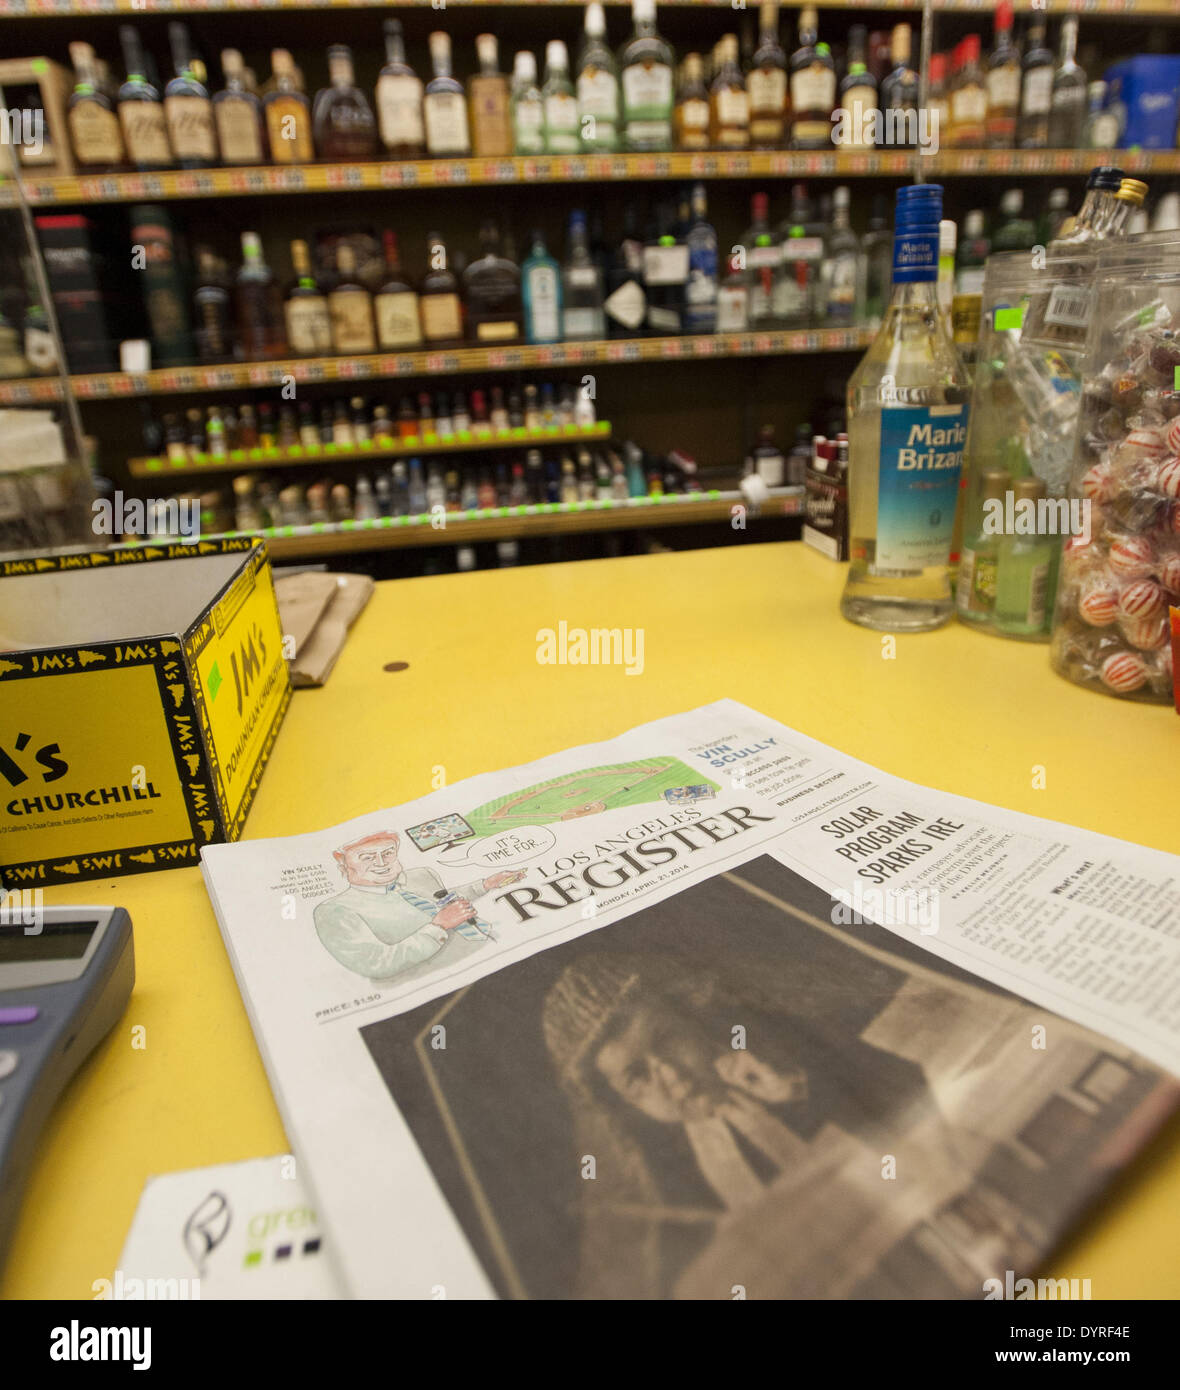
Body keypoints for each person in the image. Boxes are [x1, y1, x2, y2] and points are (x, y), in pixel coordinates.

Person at [313, 829, 522, 982]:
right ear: (344, 865)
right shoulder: (335, 910)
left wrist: (485, 884)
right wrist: (438, 926)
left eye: (388, 853)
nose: (381, 862)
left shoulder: (421, 875)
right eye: (367, 857)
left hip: (499, 951)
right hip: (448, 983)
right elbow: (377, 963)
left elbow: (442, 900)